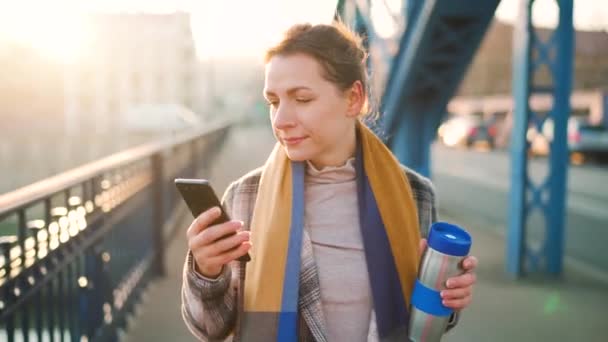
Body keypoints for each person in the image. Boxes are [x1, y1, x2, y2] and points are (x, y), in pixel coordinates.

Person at [181, 22, 478, 342]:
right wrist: (206, 272)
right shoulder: (245, 197)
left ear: (353, 98)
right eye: (274, 102)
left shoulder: (415, 195)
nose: (281, 120)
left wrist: (449, 297)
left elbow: (424, 323)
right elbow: (209, 328)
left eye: (302, 99)